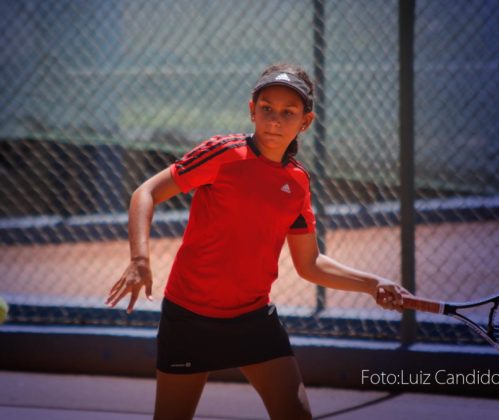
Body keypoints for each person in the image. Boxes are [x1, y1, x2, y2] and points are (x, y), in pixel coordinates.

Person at [106, 63, 410, 420]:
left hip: (253, 319)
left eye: (288, 112)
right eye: (267, 108)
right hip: (189, 317)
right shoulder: (222, 153)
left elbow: (309, 263)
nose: (275, 120)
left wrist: (372, 284)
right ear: (252, 110)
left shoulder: (297, 183)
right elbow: (146, 193)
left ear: (306, 121)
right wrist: (140, 260)